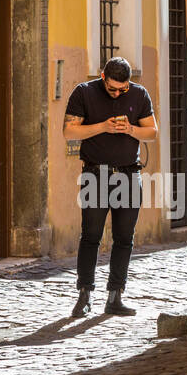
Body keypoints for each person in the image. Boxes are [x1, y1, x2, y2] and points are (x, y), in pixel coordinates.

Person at [63, 56, 158, 317]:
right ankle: (84, 295)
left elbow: (152, 131)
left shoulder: (139, 95)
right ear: (102, 77)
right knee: (91, 236)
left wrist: (130, 130)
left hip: (128, 175)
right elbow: (69, 131)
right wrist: (103, 127)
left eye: (122, 89)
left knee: (124, 238)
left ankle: (115, 297)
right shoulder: (84, 92)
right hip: (95, 174)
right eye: (113, 88)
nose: (117, 93)